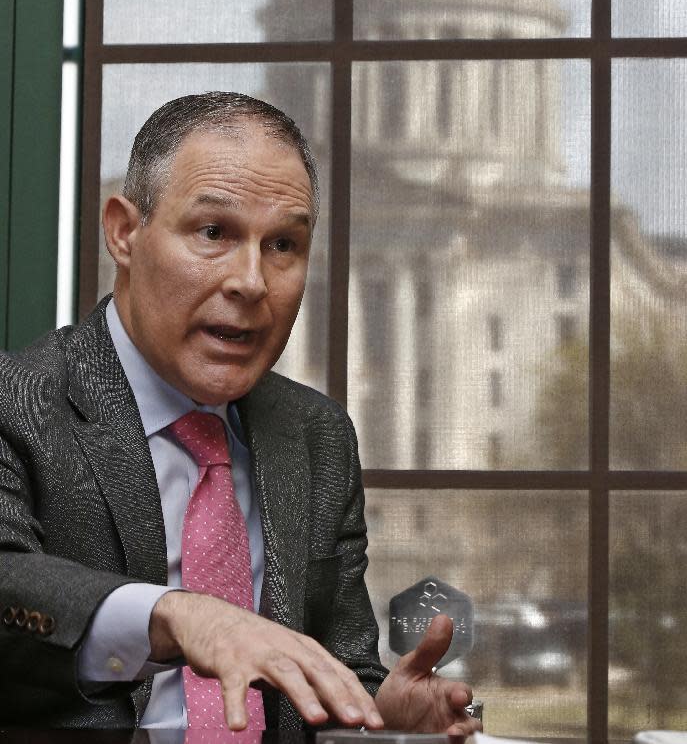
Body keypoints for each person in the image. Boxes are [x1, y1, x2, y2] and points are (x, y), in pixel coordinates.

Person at [0, 92, 479, 738]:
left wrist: (378, 714)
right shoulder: (17, 399)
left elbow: (338, 665)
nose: (251, 282)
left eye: (282, 244)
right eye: (213, 233)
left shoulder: (317, 435)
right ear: (123, 232)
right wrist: (176, 617)